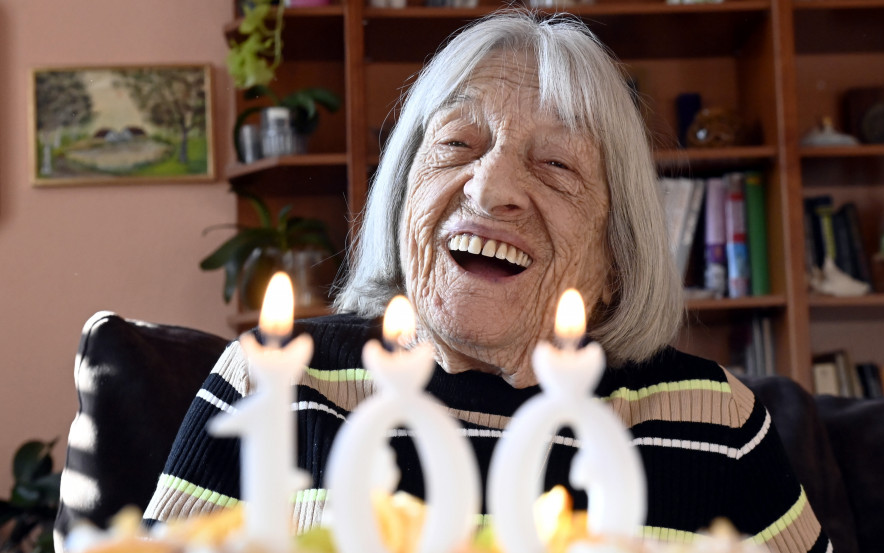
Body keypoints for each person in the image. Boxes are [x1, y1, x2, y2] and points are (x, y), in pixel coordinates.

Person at [144, 11, 829, 552]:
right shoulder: (274, 379)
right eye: (455, 144)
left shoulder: (713, 418)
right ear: (402, 193)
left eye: (556, 164)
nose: (491, 185)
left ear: (615, 252)